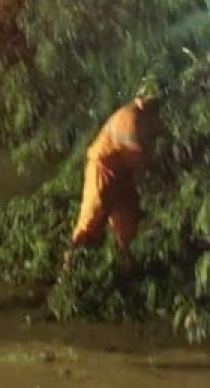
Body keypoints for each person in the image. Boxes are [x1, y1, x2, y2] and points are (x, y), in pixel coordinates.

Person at [70, 78, 163, 257]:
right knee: (91, 219)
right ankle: (71, 267)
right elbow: (140, 160)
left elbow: (159, 135)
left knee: (128, 225)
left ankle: (124, 262)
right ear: (143, 99)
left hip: (122, 172)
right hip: (102, 169)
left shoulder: (148, 117)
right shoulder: (129, 119)